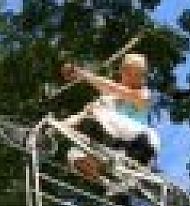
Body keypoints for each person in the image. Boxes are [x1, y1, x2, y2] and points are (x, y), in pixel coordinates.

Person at [60, 53, 160, 194]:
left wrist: (82, 74)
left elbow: (117, 91)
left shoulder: (145, 94)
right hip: (118, 147)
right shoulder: (107, 99)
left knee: (99, 112)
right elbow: (80, 117)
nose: (135, 77)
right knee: (73, 155)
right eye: (130, 72)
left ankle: (126, 170)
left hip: (143, 142)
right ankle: (111, 181)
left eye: (138, 74)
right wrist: (53, 127)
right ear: (123, 72)